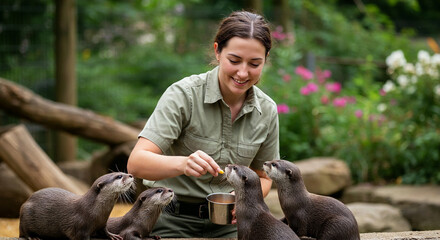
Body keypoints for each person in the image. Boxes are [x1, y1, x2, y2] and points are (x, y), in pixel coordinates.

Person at [127, 10, 279, 238]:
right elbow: (136, 163)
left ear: (265, 59)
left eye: (255, 63)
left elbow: (264, 177)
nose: (243, 72)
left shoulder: (267, 110)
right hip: (170, 220)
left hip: (232, 225)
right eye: (234, 60)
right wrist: (183, 164)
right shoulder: (183, 95)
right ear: (218, 52)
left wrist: (247, 200)